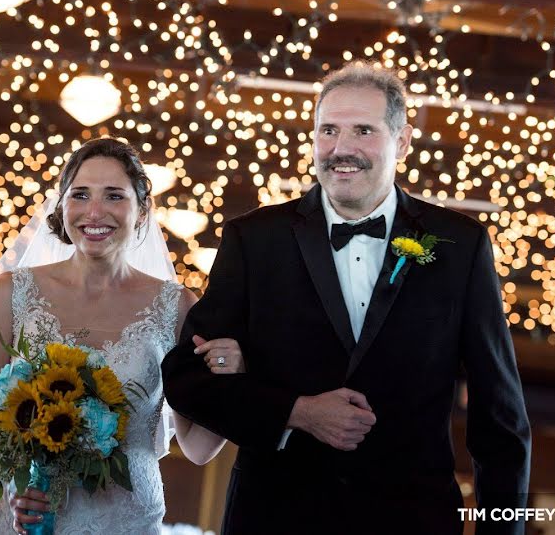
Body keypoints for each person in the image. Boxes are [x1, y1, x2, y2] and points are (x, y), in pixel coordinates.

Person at [161, 62, 532, 534]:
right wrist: (296, 412)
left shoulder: (462, 245)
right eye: (328, 131)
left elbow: (500, 417)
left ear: (402, 141)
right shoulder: (254, 239)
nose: (342, 149)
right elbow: (185, 378)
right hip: (275, 518)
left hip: (411, 521)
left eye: (363, 130)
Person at [0, 138, 243, 534]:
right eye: (80, 195)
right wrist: (14, 487)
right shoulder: (11, 292)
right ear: (62, 206)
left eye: (114, 196)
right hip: (25, 515)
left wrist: (231, 379)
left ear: (140, 212)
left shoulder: (178, 307)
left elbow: (198, 448)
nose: (94, 212)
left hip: (124, 518)